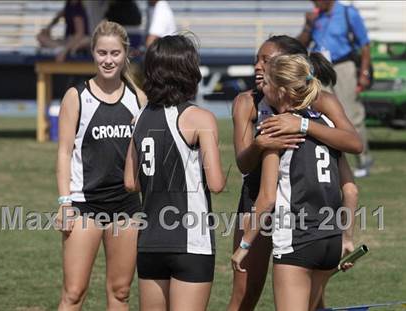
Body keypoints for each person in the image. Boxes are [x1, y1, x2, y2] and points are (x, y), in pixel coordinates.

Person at [227, 35, 360, 311]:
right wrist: (260, 144)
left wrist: (302, 126)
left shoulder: (318, 99)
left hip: (305, 206)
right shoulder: (247, 102)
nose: (258, 67)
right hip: (260, 198)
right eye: (256, 60)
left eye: (267, 60)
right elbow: (243, 164)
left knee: (314, 296)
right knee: (245, 292)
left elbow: (354, 142)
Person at [125, 34, 225, 311]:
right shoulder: (200, 118)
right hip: (190, 240)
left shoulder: (140, 117)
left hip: (150, 241)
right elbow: (216, 183)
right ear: (188, 71)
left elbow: (130, 182)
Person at [55, 20, 146, 310]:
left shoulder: (138, 99)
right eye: (102, 53)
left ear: (125, 55)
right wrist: (64, 202)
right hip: (85, 206)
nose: (108, 60)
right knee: (74, 293)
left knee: (120, 292)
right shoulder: (76, 96)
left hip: (127, 207)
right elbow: (63, 153)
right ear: (93, 53)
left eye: (115, 53)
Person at [298, 0, 373, 178]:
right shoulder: (316, 17)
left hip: (342, 66)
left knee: (351, 114)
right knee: (321, 113)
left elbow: (365, 45)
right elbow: (300, 45)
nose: (314, 4)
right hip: (320, 67)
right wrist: (308, 26)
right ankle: (334, 162)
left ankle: (363, 159)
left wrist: (364, 72)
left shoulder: (347, 13)